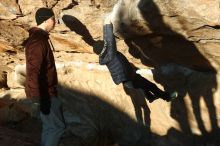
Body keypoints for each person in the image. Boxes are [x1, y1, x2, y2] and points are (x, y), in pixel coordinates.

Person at [99, 15, 177, 103]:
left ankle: (150, 97)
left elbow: (109, 47)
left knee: (143, 84)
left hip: (128, 79)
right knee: (151, 86)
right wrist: (107, 24)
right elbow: (109, 40)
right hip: (130, 79)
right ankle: (167, 97)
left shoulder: (105, 56)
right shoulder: (110, 54)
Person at [24, 8, 65, 146]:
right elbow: (33, 71)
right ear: (45, 20)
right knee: (56, 128)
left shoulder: (39, 39)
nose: (55, 22)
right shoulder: (37, 41)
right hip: (46, 94)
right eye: (53, 19)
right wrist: (36, 98)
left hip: (45, 93)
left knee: (50, 127)